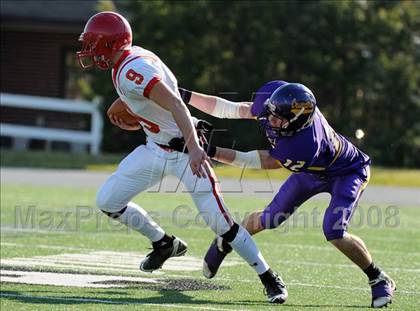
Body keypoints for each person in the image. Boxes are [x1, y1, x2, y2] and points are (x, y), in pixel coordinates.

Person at [76, 11, 287, 303]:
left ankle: (268, 277)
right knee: (107, 200)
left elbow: (176, 103)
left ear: (110, 44)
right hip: (155, 148)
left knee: (221, 224)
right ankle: (164, 244)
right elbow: (153, 92)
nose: (88, 52)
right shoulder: (127, 60)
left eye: (93, 44)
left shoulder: (129, 71)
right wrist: (126, 102)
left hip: (186, 153)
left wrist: (196, 149)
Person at [176, 81, 396, 308]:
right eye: (270, 114)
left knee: (334, 230)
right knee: (270, 218)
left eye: (277, 119)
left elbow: (263, 160)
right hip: (312, 170)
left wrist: (210, 151)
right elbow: (233, 109)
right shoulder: (277, 101)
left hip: (347, 172)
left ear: (297, 123)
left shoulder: (303, 145)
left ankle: (377, 276)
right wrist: (184, 95)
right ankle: (226, 240)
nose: (270, 121)